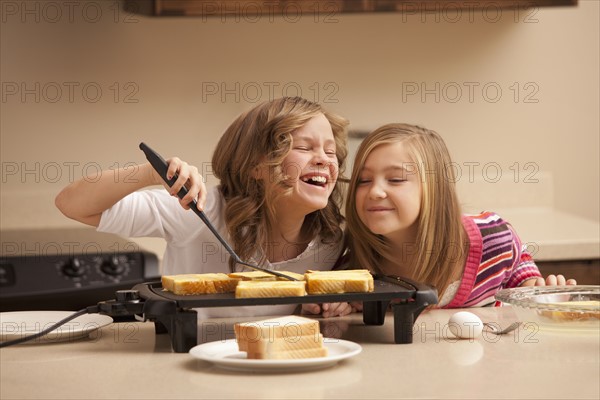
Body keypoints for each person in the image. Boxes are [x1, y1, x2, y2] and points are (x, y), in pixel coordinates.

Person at [55, 97, 353, 318]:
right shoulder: (197, 211)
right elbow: (72, 204)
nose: (325, 159)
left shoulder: (330, 241)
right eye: (304, 147)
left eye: (330, 151)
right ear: (254, 167)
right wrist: (149, 174)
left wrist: (333, 304)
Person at [343, 123, 576, 308]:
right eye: (364, 180)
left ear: (435, 190)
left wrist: (534, 287)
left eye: (395, 179)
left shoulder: (493, 239)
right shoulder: (351, 258)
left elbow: (517, 265)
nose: (374, 191)